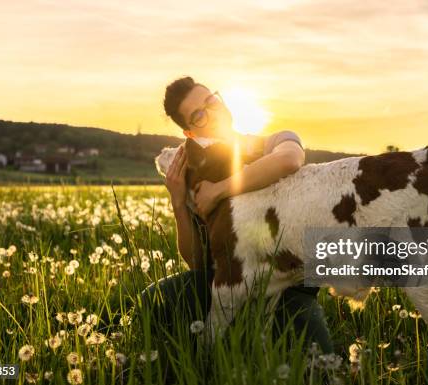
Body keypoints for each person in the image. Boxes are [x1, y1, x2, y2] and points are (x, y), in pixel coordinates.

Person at [141, 76, 333, 356]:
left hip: (288, 288)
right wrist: (178, 201)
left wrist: (218, 191)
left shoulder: (271, 142)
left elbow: (289, 160)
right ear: (190, 133)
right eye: (199, 115)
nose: (212, 112)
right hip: (223, 283)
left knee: (317, 362)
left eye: (212, 101)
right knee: (152, 301)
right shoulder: (192, 171)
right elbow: (196, 262)